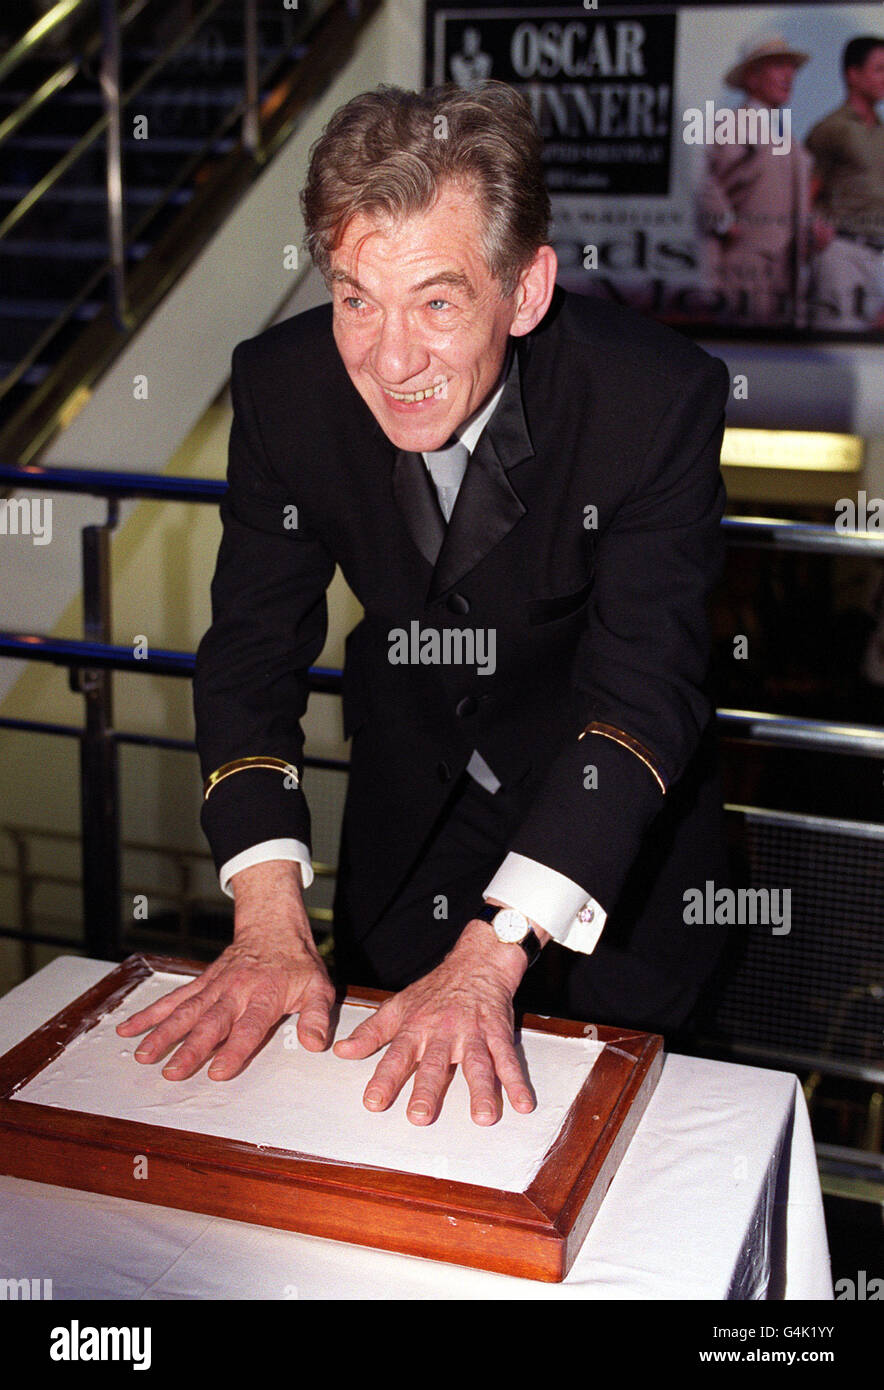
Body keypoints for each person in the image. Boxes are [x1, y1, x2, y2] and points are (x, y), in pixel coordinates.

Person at [118, 82, 732, 1127]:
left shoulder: (651, 400)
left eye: (437, 303)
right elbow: (251, 654)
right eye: (357, 297)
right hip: (408, 833)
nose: (388, 359)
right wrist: (267, 911)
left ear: (525, 289)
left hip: (613, 859)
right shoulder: (281, 388)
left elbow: (641, 692)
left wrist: (493, 954)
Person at [699, 33, 819, 326]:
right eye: (778, 66)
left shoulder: (787, 137)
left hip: (786, 268)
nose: (788, 75)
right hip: (746, 264)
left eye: (790, 67)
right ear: (752, 77)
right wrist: (727, 223)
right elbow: (701, 179)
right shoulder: (734, 124)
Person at [806, 36, 884, 331]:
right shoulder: (831, 129)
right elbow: (805, 193)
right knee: (838, 347)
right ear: (853, 74)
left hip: (877, 256)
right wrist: (813, 227)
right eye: (879, 69)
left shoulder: (881, 131)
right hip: (841, 252)